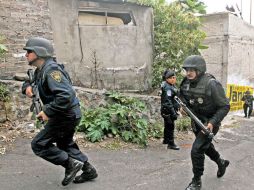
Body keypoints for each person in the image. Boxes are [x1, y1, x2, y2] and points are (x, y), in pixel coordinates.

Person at [22, 37, 98, 186]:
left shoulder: (51, 71)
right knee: (65, 144)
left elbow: (66, 95)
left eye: (29, 51)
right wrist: (27, 88)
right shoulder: (41, 70)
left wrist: (48, 111)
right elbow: (30, 80)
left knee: (39, 144)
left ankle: (70, 164)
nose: (26, 55)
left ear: (39, 52)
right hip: (67, 114)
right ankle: (89, 170)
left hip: (65, 116)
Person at [179, 55, 230, 190]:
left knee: (196, 150)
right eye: (187, 70)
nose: (188, 73)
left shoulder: (211, 84)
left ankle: (196, 181)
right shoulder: (185, 83)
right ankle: (221, 162)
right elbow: (182, 97)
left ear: (200, 70)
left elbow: (225, 106)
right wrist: (183, 107)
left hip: (210, 123)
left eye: (192, 70)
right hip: (196, 122)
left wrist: (212, 123)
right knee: (205, 147)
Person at [161, 69, 180, 150]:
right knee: (171, 127)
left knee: (167, 126)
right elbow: (168, 102)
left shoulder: (169, 85)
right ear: (167, 78)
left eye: (174, 77)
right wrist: (173, 113)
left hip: (166, 111)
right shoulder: (168, 88)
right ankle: (171, 144)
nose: (174, 79)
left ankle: (165, 140)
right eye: (172, 78)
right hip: (168, 111)